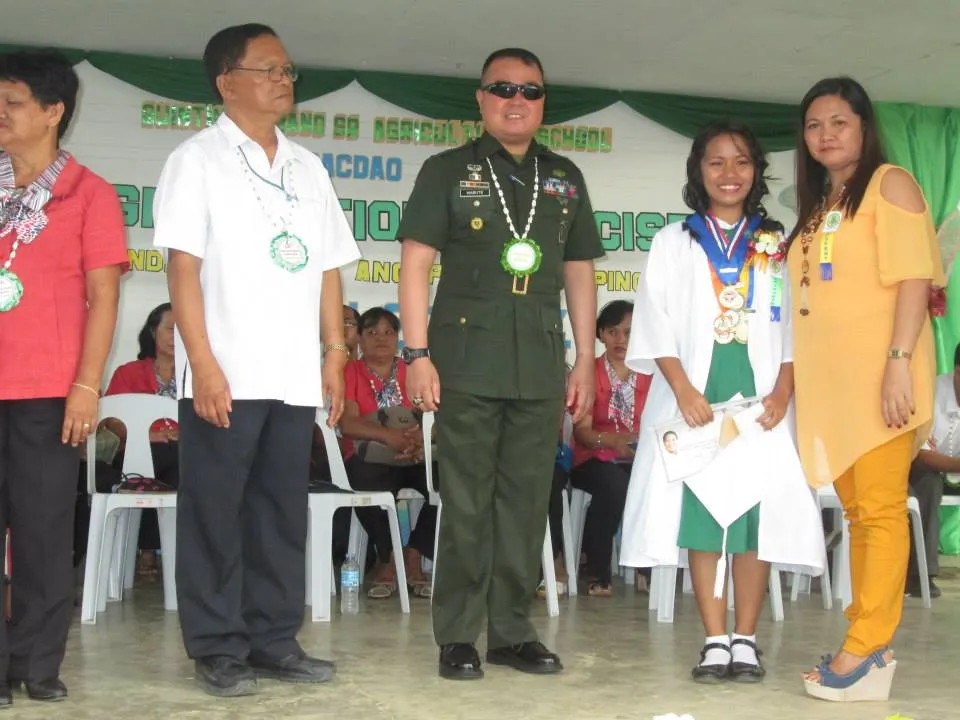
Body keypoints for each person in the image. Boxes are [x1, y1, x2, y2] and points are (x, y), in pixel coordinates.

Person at [152, 24, 360, 697]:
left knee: (280, 511)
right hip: (226, 370)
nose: (283, 80)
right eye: (268, 69)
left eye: (288, 69)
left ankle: (274, 639)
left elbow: (330, 268)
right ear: (226, 81)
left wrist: (333, 353)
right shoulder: (197, 159)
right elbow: (182, 269)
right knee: (215, 511)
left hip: (293, 374)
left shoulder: (307, 165)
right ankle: (216, 645)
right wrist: (203, 364)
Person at [398, 47, 603, 680]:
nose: (518, 101)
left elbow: (579, 272)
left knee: (525, 501)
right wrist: (417, 353)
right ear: (481, 99)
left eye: (531, 91)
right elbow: (415, 264)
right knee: (465, 499)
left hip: (541, 362)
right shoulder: (446, 169)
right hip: (464, 359)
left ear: (544, 101)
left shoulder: (564, 175)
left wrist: (586, 361)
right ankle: (458, 634)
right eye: (503, 88)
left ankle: (511, 631)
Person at [621, 121, 825, 685]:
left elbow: (794, 322)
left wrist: (785, 387)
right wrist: (683, 388)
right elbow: (656, 319)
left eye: (740, 162)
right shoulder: (674, 240)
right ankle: (714, 639)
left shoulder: (778, 242)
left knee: (754, 520)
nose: (729, 173)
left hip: (761, 399)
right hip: (695, 397)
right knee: (703, 518)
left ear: (756, 171)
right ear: (698, 172)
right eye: (716, 162)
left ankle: (747, 640)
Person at [788, 77, 944, 702]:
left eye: (839, 123)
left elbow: (913, 279)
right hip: (834, 387)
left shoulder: (890, 184)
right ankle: (863, 637)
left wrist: (899, 363)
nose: (825, 135)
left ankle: (869, 648)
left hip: (884, 378)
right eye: (814, 125)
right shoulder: (823, 201)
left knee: (879, 511)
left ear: (863, 127)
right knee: (857, 513)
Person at [0, 49, 128, 704]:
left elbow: (103, 297)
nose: (0, 113)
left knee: (45, 533)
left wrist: (87, 384)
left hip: (48, 392)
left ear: (54, 112)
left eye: (12, 102)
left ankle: (38, 664)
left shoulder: (89, 193)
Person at [338, 307, 437, 599]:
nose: (381, 338)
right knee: (362, 484)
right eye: (371, 332)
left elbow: (432, 413)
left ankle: (414, 554)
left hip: (414, 452)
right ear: (359, 337)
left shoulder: (412, 371)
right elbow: (348, 423)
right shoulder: (349, 371)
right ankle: (388, 556)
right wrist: (388, 437)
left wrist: (420, 438)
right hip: (369, 455)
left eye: (388, 332)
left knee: (453, 480)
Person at [571, 300, 651, 596]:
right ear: (601, 334)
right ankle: (598, 570)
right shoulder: (587, 373)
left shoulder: (652, 374)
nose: (621, 340)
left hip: (640, 457)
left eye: (629, 333)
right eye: (613, 331)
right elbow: (583, 433)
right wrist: (614, 441)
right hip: (592, 457)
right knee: (614, 483)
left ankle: (648, 568)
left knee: (651, 482)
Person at [103, 302, 179, 574]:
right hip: (135, 453)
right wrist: (151, 434)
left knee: (182, 461)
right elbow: (113, 421)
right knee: (155, 462)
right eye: (171, 329)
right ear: (152, 332)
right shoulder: (129, 372)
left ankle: (154, 552)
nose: (177, 337)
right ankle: (152, 550)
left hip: (181, 452)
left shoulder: (197, 376)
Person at [906, 342, 960, 599]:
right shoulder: (931, 393)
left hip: (953, 468)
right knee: (928, 482)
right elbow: (922, 454)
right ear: (957, 372)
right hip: (923, 466)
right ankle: (921, 575)